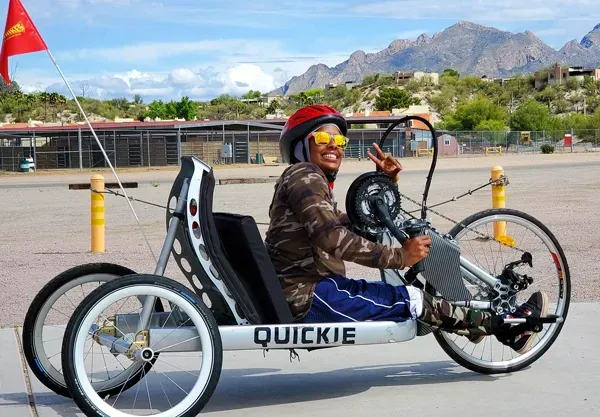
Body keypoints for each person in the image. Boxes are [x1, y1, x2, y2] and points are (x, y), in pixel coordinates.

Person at [265, 104, 548, 354]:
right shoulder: (305, 176)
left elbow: (350, 226)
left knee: (405, 297)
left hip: (316, 289)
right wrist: (400, 257)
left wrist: (382, 187)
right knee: (410, 299)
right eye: (323, 138)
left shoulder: (307, 182)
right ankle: (509, 327)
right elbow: (332, 237)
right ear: (302, 144)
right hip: (309, 296)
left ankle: (479, 325)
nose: (334, 146)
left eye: (339, 140)